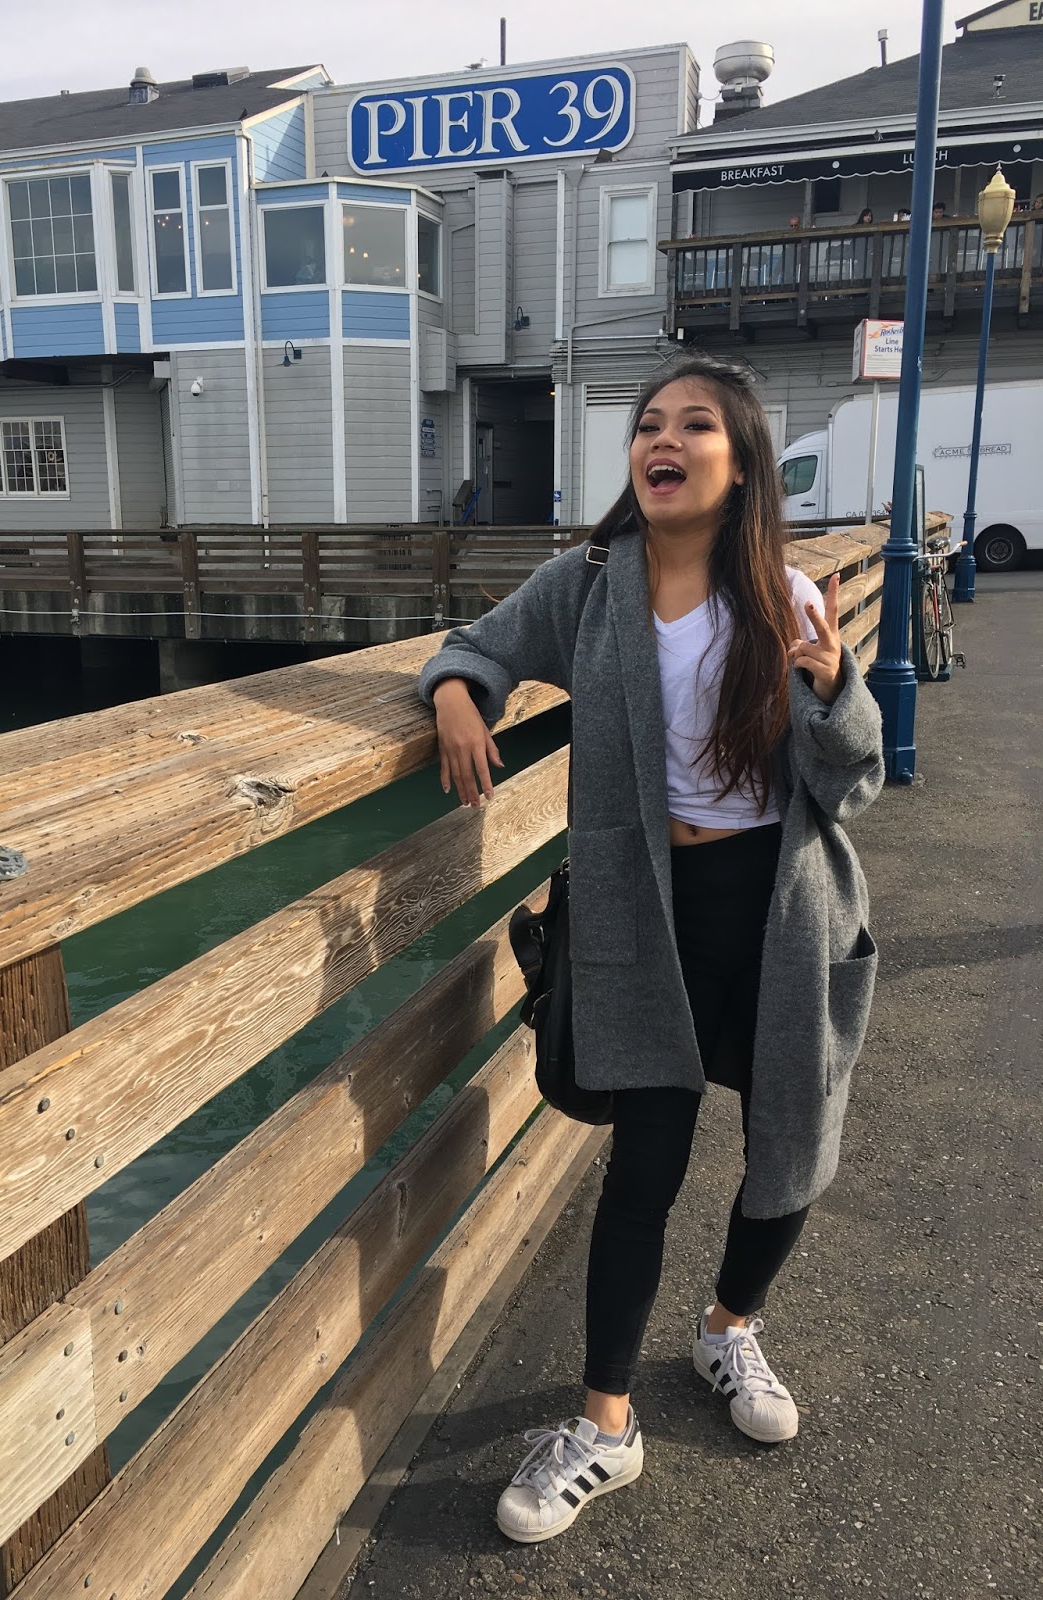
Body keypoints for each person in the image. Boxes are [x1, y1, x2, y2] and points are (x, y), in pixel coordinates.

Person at [420, 355, 883, 1544]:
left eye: (694, 425)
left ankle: (730, 1328)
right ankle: (606, 1425)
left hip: (782, 909)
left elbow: (853, 782)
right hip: (650, 914)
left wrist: (835, 684)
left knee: (790, 1141)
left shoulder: (784, 594)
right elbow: (476, 642)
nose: (662, 440)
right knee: (644, 1166)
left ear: (741, 463)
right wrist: (459, 691)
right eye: (648, 425)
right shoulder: (589, 585)